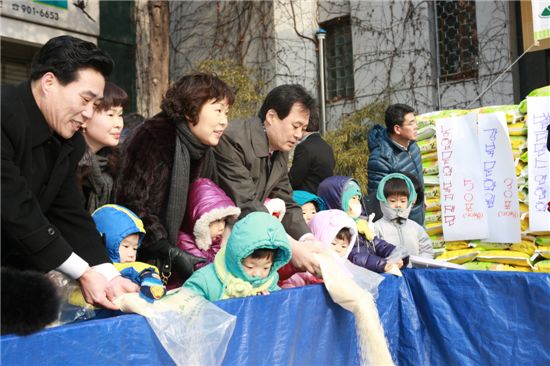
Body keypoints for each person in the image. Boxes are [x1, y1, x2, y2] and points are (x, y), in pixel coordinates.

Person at [1, 35, 138, 310]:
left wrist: (108, 274)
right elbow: (15, 208)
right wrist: (83, 273)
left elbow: (68, 212)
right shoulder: (4, 115)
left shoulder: (69, 140)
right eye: (85, 99)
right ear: (49, 82)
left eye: (95, 105)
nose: (88, 114)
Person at [115, 72, 235, 285]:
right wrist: (165, 248)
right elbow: (131, 201)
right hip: (140, 260)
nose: (224, 121)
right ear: (190, 110)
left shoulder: (202, 148)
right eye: (218, 111)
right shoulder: (155, 136)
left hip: (185, 253)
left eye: (226, 113)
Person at [213, 84, 322, 275]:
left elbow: (286, 199)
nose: (298, 135)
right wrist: (290, 246)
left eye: (303, 128)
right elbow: (246, 203)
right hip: (218, 241)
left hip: (250, 238)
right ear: (271, 117)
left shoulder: (279, 148)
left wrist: (307, 240)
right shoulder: (233, 140)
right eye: (295, 126)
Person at [183, 212, 292, 301]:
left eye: (266, 267)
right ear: (236, 259)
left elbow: (280, 309)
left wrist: (271, 302)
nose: (257, 274)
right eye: (250, 267)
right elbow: (184, 303)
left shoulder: (269, 282)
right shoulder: (206, 279)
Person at [317, 176, 406, 274]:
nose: (357, 203)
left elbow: (377, 243)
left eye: (358, 198)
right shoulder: (336, 228)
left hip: (371, 273)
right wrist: (381, 264)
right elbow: (353, 256)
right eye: (353, 198)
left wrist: (397, 254)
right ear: (337, 200)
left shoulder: (361, 224)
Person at [174, 178, 241, 287]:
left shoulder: (216, 241)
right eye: (217, 220)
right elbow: (205, 271)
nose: (222, 227)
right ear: (200, 220)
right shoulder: (184, 241)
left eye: (224, 220)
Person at [92, 205, 166, 302]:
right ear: (107, 242)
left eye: (135, 248)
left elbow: (148, 274)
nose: (131, 254)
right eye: (126, 246)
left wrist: (151, 286)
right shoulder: (86, 267)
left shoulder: (134, 268)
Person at [367, 103, 425, 226]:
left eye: (415, 122)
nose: (416, 127)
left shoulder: (413, 146)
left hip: (418, 218)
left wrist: (421, 198)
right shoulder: (381, 158)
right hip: (399, 225)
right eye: (411, 123)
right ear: (397, 129)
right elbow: (378, 200)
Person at [78, 81, 128, 213]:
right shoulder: (71, 162)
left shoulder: (115, 162)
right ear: (86, 117)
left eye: (120, 115)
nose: (119, 124)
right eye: (111, 115)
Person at [280, 209, 357, 288]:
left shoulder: (343, 269)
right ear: (318, 239)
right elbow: (290, 283)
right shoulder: (303, 263)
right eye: (333, 244)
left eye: (343, 246)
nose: (338, 249)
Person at [373, 174, 433, 263]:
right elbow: (372, 253)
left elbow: (426, 249)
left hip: (415, 273)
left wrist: (420, 266)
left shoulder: (415, 227)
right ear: (383, 201)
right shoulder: (376, 228)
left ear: (409, 202)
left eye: (403, 201)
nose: (398, 204)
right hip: (391, 273)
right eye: (393, 201)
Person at [289, 107, 335, 193]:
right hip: (323, 196)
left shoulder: (304, 147)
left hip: (306, 198)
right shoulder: (326, 146)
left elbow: (293, 180)